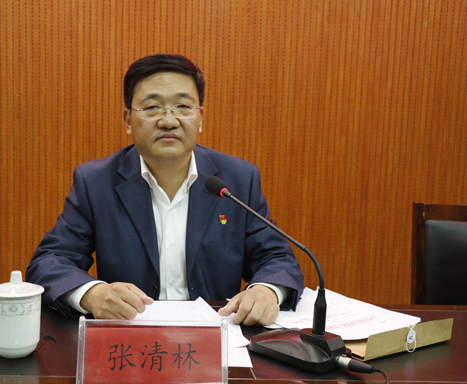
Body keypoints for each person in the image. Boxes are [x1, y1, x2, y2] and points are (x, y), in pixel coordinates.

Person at [26, 54, 304, 326]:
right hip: (130, 338)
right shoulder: (96, 182)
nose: (169, 121)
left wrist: (266, 291)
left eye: (183, 106)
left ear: (200, 118)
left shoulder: (237, 179)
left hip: (216, 338)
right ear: (128, 120)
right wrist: (93, 294)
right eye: (152, 107)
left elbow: (276, 257)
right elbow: (49, 262)